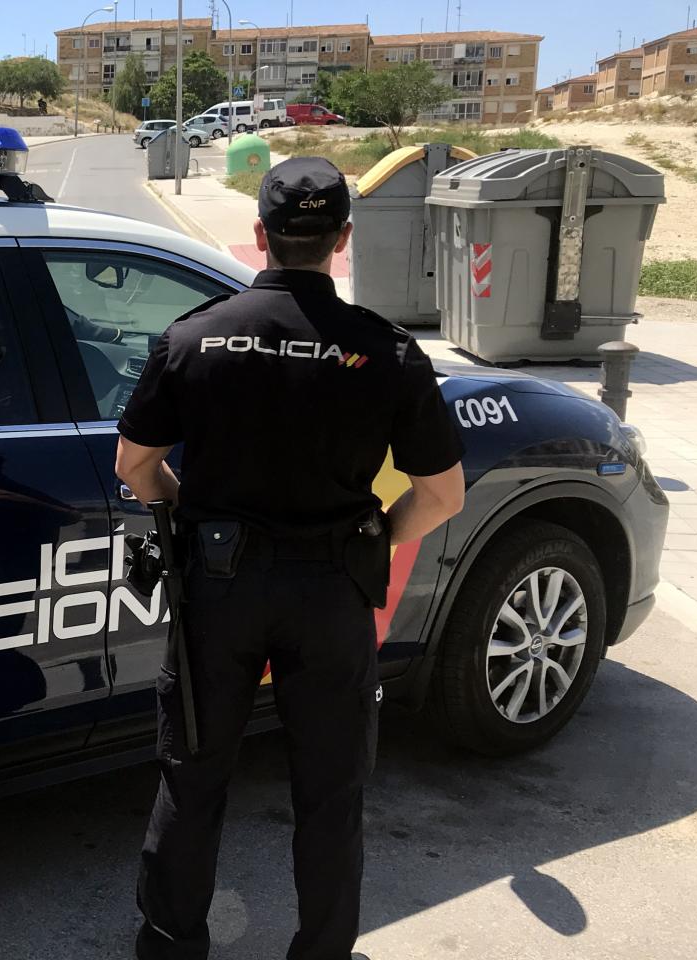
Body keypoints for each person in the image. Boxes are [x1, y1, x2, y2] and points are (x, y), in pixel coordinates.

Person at [115, 156, 467, 960]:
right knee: (331, 793)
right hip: (333, 592)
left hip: (219, 589)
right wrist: (373, 536)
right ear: (342, 238)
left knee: (192, 777)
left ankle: (171, 945)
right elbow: (442, 496)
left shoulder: (192, 337)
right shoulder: (388, 353)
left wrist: (191, 516)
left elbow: (135, 467)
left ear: (260, 235)